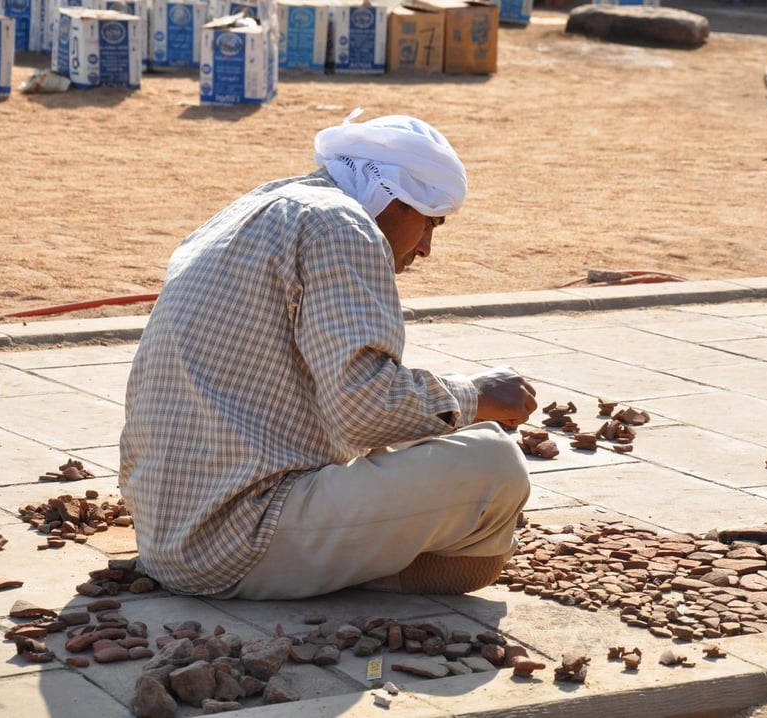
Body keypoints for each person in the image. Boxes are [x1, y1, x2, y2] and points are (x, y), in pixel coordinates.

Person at [118, 111, 537, 601]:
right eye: (430, 221)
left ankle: (353, 560)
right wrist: (476, 395)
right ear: (392, 196)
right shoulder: (343, 225)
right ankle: (379, 574)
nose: (426, 247)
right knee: (495, 463)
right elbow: (366, 409)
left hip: (166, 526)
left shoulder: (263, 203)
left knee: (432, 430)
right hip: (234, 540)